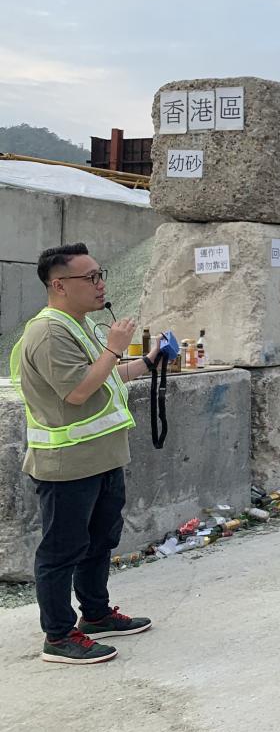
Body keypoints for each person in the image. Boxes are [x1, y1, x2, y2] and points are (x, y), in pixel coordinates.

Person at [10, 244, 164, 665]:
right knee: (62, 551)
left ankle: (95, 615)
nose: (101, 285)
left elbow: (104, 377)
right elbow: (77, 392)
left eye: (101, 275)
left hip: (103, 458)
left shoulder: (82, 325)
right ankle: (58, 637)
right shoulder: (47, 333)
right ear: (59, 285)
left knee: (99, 541)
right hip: (67, 464)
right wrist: (114, 347)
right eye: (90, 278)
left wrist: (149, 361)